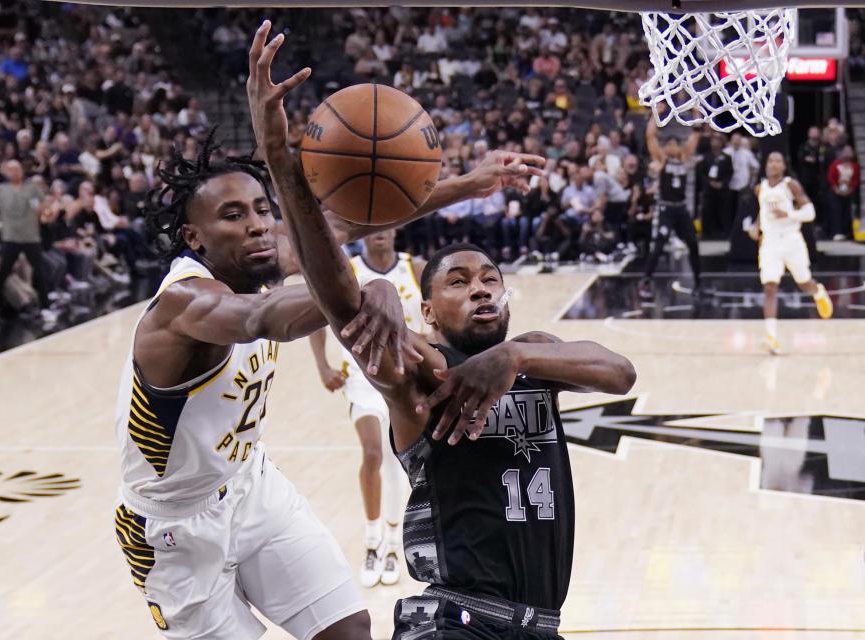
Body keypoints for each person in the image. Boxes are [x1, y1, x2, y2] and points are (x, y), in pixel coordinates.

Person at [113, 22, 543, 638]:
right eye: (233, 216)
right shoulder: (185, 307)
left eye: (264, 209)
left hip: (251, 486)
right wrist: (364, 291)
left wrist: (469, 185)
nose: (260, 225)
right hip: (174, 530)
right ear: (194, 238)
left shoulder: (254, 257)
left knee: (349, 631)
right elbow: (266, 318)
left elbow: (344, 221)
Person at [248, 22, 635, 640]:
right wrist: (282, 164)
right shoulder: (426, 370)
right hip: (455, 622)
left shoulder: (535, 355)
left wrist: (511, 358)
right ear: (427, 312)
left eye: (488, 278)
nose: (480, 286)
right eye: (456, 281)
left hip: (540, 626)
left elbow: (620, 372)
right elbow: (340, 299)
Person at [308, 228, 426, 588]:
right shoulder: (349, 270)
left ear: (396, 229)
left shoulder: (416, 269)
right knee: (373, 452)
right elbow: (317, 313)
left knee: (395, 461)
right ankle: (372, 540)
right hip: (362, 378)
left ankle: (392, 544)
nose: (379, 233)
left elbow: (436, 316)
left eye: (386, 226)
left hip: (405, 379)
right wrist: (323, 365)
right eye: (370, 228)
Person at [748, 152, 833, 355]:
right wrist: (755, 225)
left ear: (784, 166)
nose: (774, 164)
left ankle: (818, 291)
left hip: (791, 240)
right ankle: (771, 338)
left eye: (778, 161)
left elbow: (810, 213)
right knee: (770, 287)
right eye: (771, 160)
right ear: (766, 165)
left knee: (804, 283)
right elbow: (763, 210)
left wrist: (789, 214)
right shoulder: (760, 188)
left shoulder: (790, 185)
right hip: (769, 242)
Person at [0, 159, 49, 309]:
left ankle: (45, 307)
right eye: (11, 170)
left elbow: (45, 206)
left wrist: (43, 212)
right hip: (10, 237)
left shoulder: (32, 188)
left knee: (39, 270)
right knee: (3, 272)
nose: (15, 172)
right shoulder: (1, 189)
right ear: (6, 172)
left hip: (30, 237)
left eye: (17, 169)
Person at [638, 112, 702, 298]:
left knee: (693, 243)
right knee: (658, 245)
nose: (671, 147)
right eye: (669, 144)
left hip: (681, 209)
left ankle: (698, 283)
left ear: (678, 146)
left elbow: (696, 134)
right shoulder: (662, 160)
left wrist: (696, 112)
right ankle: (646, 281)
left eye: (674, 144)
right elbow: (650, 136)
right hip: (665, 208)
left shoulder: (684, 157)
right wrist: (655, 115)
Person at [825, 145, 859, 240]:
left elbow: (855, 179)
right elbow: (830, 177)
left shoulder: (855, 166)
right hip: (835, 192)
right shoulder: (835, 164)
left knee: (847, 213)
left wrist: (850, 190)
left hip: (849, 192)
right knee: (836, 212)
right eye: (846, 151)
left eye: (850, 151)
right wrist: (836, 189)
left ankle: (847, 232)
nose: (848, 153)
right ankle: (836, 232)